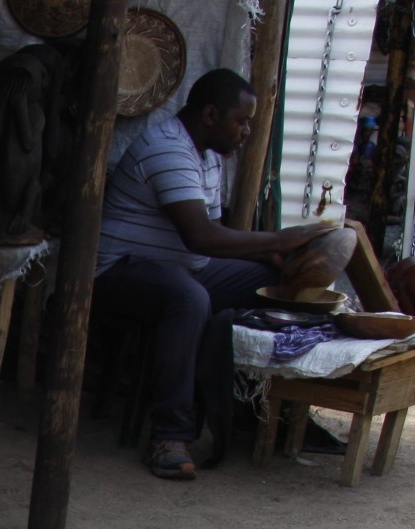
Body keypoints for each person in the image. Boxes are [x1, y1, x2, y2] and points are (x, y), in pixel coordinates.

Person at [93, 68, 328, 481]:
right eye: (241, 121)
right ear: (208, 115)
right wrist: (278, 239)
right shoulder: (167, 149)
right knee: (189, 298)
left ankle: (265, 411)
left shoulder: (207, 157)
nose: (246, 132)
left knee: (275, 287)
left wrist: (274, 257)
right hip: (119, 272)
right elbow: (202, 238)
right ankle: (169, 436)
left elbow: (214, 239)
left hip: (183, 267)